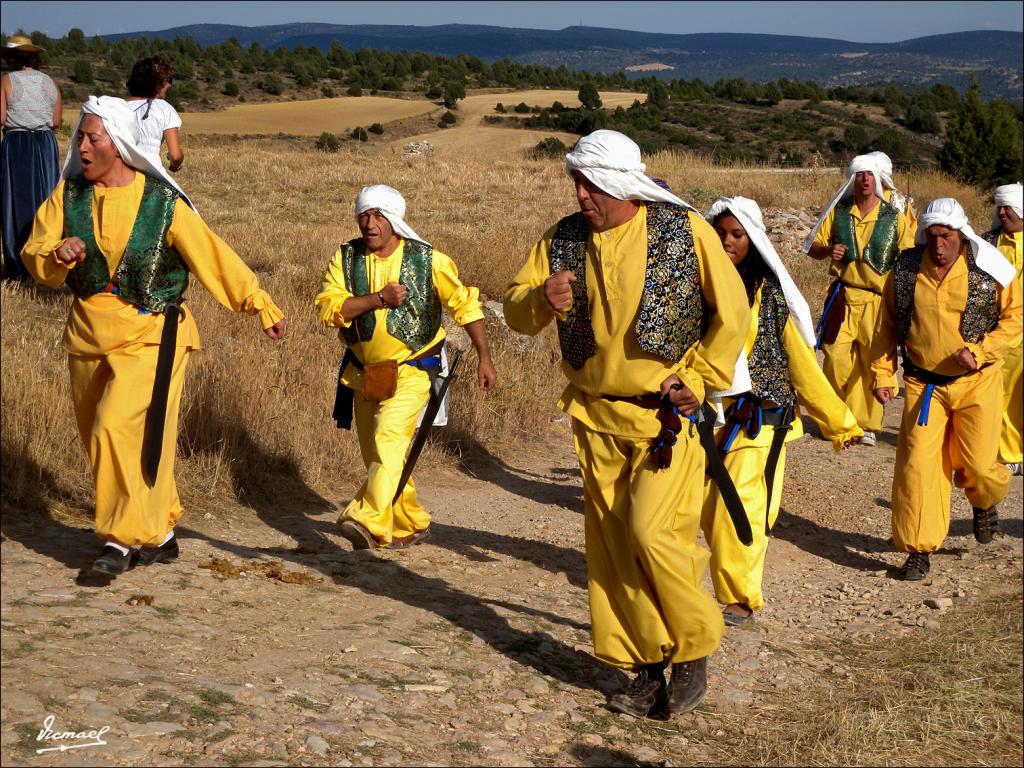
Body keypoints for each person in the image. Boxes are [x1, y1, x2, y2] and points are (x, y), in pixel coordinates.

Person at [503, 130, 750, 719]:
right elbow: (515, 310)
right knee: (613, 550)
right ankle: (643, 666)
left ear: (619, 183)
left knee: (652, 534)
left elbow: (733, 310)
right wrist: (541, 297)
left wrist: (703, 375)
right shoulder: (561, 240)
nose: (581, 195)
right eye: (577, 183)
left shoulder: (681, 230)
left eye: (591, 184)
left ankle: (693, 646)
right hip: (594, 416)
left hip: (667, 417)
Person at [20, 96, 287, 579]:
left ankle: (119, 540)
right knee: (107, 438)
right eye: (80, 136)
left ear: (118, 145)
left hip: (152, 333)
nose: (81, 146)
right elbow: (33, 251)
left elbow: (213, 256)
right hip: (86, 333)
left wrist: (258, 302)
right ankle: (160, 533)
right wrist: (56, 255)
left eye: (92, 137)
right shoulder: (69, 196)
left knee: (114, 427)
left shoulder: (163, 204)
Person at [702, 196, 862, 626]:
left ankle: (742, 597)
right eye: (720, 234)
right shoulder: (700, 288)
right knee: (707, 508)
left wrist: (837, 421)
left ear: (752, 240)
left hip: (759, 420)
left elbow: (800, 362)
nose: (727, 242)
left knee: (739, 509)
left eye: (736, 234)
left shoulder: (768, 294)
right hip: (707, 419)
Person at [314, 184, 496, 551]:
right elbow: (328, 310)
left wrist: (484, 356)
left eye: (378, 215)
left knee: (388, 439)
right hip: (364, 371)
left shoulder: (429, 261)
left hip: (414, 371)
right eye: (364, 215)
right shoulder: (346, 258)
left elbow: (464, 305)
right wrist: (378, 299)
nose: (369, 223)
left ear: (394, 219)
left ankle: (366, 521)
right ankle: (411, 521)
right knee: (380, 455)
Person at [871, 198, 1021, 581]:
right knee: (918, 468)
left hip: (978, 382)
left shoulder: (989, 270)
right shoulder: (905, 270)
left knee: (980, 467)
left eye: (947, 237)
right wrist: (883, 373)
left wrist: (981, 351)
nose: (939, 246)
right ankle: (918, 550)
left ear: (961, 235)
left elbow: (1015, 318)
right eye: (933, 237)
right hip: (924, 386)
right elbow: (885, 325)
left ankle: (985, 500)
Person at [804, 153, 916, 446]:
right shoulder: (839, 211)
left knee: (872, 362)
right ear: (852, 179)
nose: (864, 179)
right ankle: (838, 416)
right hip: (844, 296)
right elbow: (812, 246)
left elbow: (908, 259)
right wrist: (829, 251)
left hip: (879, 302)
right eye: (859, 175)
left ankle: (864, 425)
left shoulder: (894, 217)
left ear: (878, 180)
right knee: (835, 358)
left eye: (869, 175)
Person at [1, 34, 61, 280]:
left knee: (17, 200)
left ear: (12, 58)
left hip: (18, 143)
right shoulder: (50, 82)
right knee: (46, 200)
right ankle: (45, 263)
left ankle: (20, 264)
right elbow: (56, 121)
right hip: (46, 144)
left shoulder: (6, 80)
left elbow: (1, 118)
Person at [984, 183, 1023, 477]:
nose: (1002, 212)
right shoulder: (988, 244)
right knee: (1004, 392)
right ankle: (1008, 452)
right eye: (1000, 207)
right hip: (1004, 330)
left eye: (1007, 207)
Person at [125, 55, 183, 172]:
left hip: (118, 174)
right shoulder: (164, 108)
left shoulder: (115, 106)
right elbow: (175, 156)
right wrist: (175, 165)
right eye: (168, 80)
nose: (169, 85)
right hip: (150, 174)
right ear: (158, 84)